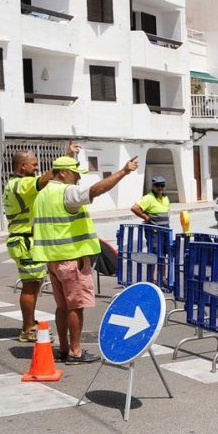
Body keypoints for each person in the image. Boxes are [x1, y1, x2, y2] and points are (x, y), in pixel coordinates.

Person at [32, 151, 139, 364]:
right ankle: (75, 351)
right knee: (75, 307)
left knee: (62, 306)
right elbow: (95, 190)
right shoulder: (66, 192)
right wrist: (123, 172)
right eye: (75, 174)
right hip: (71, 258)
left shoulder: (42, 194)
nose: (79, 178)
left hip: (52, 260)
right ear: (62, 173)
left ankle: (63, 348)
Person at [2, 149, 55, 342]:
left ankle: (30, 323)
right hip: (24, 240)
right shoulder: (21, 184)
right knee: (30, 287)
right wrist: (65, 159)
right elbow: (44, 180)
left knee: (33, 284)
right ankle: (27, 328)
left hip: (23, 239)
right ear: (22, 166)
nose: (37, 167)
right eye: (34, 164)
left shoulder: (14, 183)